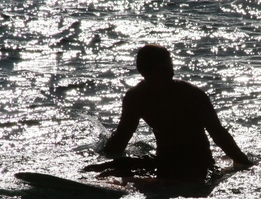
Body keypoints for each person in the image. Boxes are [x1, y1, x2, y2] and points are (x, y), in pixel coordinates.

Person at [100, 44, 253, 182]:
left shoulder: (192, 95)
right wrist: (103, 158)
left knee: (147, 185)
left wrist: (245, 163)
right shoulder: (136, 98)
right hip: (163, 160)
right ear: (144, 72)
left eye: (171, 68)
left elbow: (218, 134)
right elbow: (122, 137)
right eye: (163, 71)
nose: (170, 75)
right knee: (100, 171)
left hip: (197, 164)